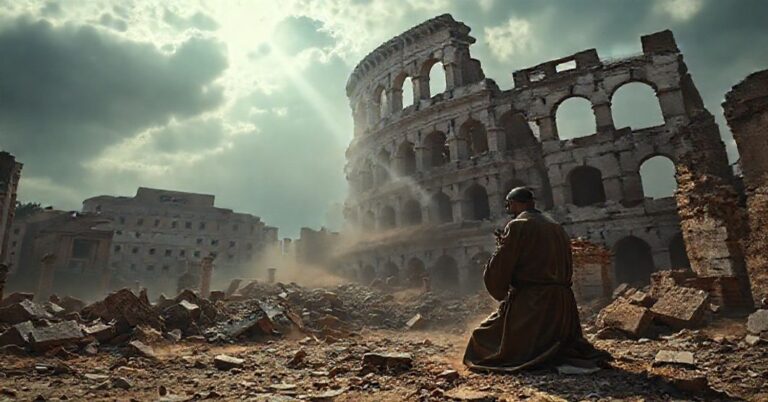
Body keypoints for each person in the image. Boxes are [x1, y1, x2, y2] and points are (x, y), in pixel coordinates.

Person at [463, 187, 610, 372]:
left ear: (515, 203)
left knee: (480, 338)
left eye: (508, 205)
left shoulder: (518, 225)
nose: (508, 210)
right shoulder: (556, 226)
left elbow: (503, 263)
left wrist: (501, 251)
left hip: (533, 303)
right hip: (563, 305)